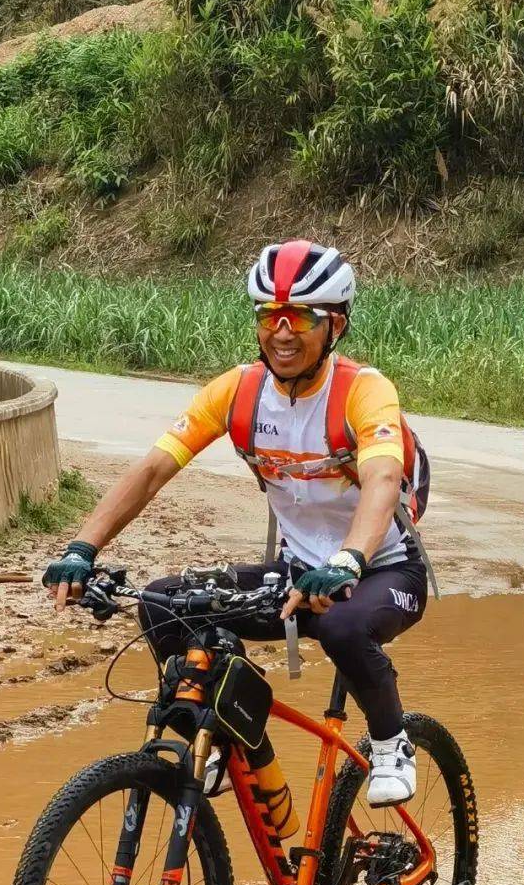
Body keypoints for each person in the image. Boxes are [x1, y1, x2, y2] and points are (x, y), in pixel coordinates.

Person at [43, 240, 429, 807]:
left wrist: (348, 560)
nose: (282, 332)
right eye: (270, 317)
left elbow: (383, 478)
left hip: (383, 571)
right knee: (165, 606)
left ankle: (392, 743)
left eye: (300, 317)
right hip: (295, 574)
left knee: (342, 629)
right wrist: (82, 548)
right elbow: (152, 471)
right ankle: (238, 745)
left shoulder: (363, 391)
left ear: (336, 325)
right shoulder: (239, 392)